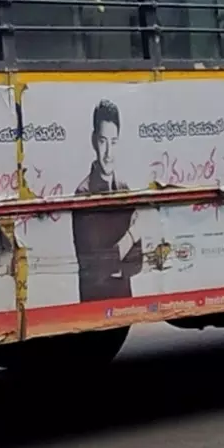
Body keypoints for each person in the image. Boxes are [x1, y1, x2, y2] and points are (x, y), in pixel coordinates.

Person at [72, 99, 141, 302]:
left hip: (124, 299)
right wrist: (131, 235)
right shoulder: (83, 193)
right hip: (95, 302)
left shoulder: (124, 189)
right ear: (94, 141)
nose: (109, 153)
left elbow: (138, 262)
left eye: (114, 142)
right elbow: (95, 269)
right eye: (103, 141)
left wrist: (113, 262)